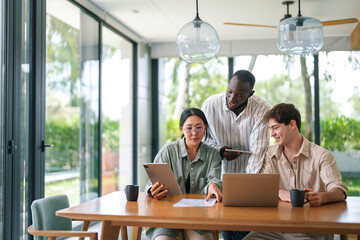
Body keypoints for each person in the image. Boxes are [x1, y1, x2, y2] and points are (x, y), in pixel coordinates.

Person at [244, 103, 348, 240]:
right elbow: (264, 187)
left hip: (310, 230)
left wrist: (322, 197)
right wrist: (281, 193)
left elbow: (339, 190)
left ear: (292, 124)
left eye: (275, 128)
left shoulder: (321, 156)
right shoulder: (270, 154)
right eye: (271, 129)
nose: (272, 134)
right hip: (275, 228)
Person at [202, 70, 270, 240]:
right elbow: (203, 139)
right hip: (220, 179)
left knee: (243, 231)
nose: (232, 99)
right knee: (227, 231)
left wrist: (245, 190)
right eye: (230, 92)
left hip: (249, 180)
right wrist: (219, 151)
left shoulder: (262, 110)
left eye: (239, 95)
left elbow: (258, 152)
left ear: (250, 93)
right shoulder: (210, 105)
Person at [145, 108, 223, 240]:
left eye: (199, 127)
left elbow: (213, 179)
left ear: (205, 128)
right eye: (189, 128)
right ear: (182, 129)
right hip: (167, 218)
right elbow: (151, 183)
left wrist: (213, 186)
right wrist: (153, 191)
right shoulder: (168, 151)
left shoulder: (213, 154)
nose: (194, 133)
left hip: (199, 219)